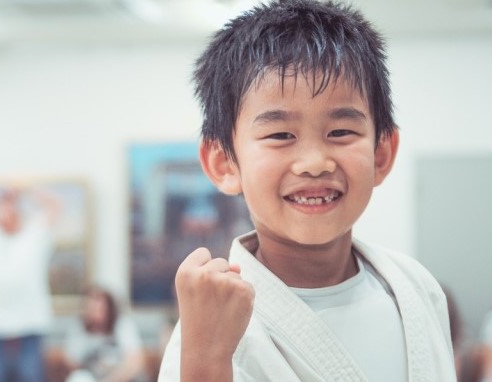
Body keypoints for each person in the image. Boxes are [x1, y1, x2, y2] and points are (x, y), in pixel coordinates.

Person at [158, 1, 455, 380]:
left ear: (381, 154)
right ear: (224, 163)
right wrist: (206, 361)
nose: (314, 162)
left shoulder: (416, 288)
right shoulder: (208, 336)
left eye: (341, 132)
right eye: (280, 135)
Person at [0, 187, 59, 382]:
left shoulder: (34, 235)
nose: (6, 213)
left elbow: (55, 206)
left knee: (30, 376)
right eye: (2, 208)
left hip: (30, 323)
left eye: (11, 208)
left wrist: (23, 191)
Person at [64, 286, 144, 382]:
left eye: (99, 306)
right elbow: (72, 363)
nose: (94, 310)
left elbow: (134, 363)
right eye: (90, 306)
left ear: (109, 307)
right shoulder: (78, 327)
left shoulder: (123, 325)